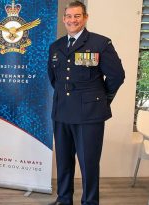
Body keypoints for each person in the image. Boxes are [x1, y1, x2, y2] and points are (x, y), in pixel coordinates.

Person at [47, 1, 125, 205]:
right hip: (62, 112)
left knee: (88, 163)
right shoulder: (55, 46)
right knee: (63, 161)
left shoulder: (100, 44)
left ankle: (89, 202)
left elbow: (117, 76)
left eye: (77, 16)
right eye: (69, 16)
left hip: (89, 114)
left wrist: (100, 100)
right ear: (64, 19)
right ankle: (64, 199)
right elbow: (54, 78)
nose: (72, 20)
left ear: (85, 17)